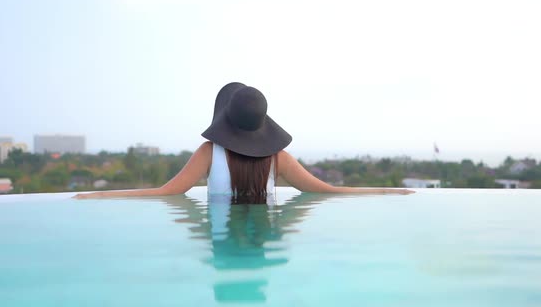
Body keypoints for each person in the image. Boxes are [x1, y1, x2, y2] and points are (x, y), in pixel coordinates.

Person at [75, 83, 413, 200]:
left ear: (225, 120)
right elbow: (326, 190)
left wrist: (102, 194)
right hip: (264, 235)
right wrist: (385, 191)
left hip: (222, 237)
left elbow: (166, 192)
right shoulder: (279, 158)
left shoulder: (209, 152)